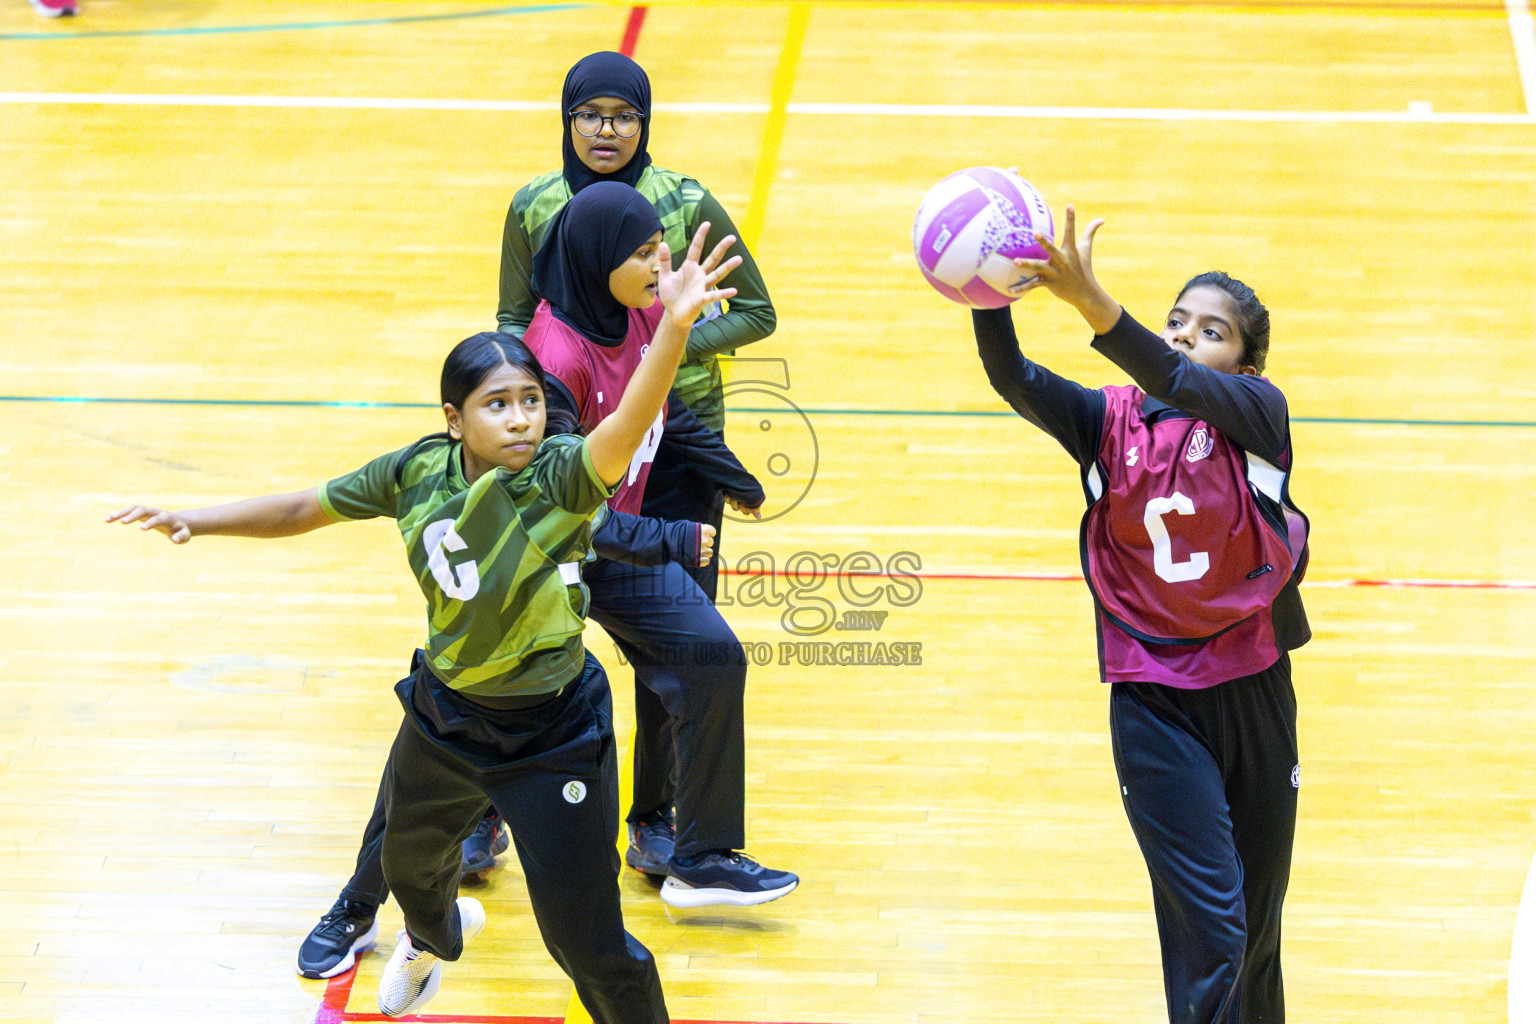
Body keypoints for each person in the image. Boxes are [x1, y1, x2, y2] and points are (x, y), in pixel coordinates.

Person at [105, 219, 740, 1020]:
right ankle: (433, 945)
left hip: (553, 734)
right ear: (454, 418)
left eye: (532, 402)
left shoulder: (558, 482)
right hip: (444, 716)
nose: (521, 420)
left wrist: (674, 330)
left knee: (588, 945)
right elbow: (307, 505)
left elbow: (617, 432)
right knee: (411, 878)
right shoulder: (416, 472)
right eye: (498, 405)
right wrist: (198, 517)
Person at [970, 206, 1310, 1024]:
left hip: (1255, 689)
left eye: (1213, 330)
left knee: (1255, 937)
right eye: (1177, 322)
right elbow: (1014, 377)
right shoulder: (1105, 422)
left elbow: (1178, 381)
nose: (1190, 338)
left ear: (1246, 362)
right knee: (1216, 937)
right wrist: (983, 291)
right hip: (1155, 703)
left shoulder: (1259, 415)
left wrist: (1096, 305)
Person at [498, 51, 778, 872]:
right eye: (591, 115)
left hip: (666, 455)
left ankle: (663, 826)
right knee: (523, 662)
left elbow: (754, 313)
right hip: (575, 472)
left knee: (684, 656)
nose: (607, 129)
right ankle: (469, 811)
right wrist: (516, 411)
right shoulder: (539, 220)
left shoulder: (680, 212)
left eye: (624, 116)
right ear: (568, 121)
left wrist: (672, 340)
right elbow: (518, 321)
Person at [522, 181, 797, 910]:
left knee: (710, 656)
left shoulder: (643, 315)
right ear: (596, 260)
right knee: (494, 719)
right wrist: (670, 539)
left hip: (612, 550)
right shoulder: (554, 362)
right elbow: (562, 511)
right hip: (540, 566)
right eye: (641, 252)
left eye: (660, 244)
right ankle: (414, 859)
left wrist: (727, 472)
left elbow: (660, 407)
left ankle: (700, 855)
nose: (660, 261)